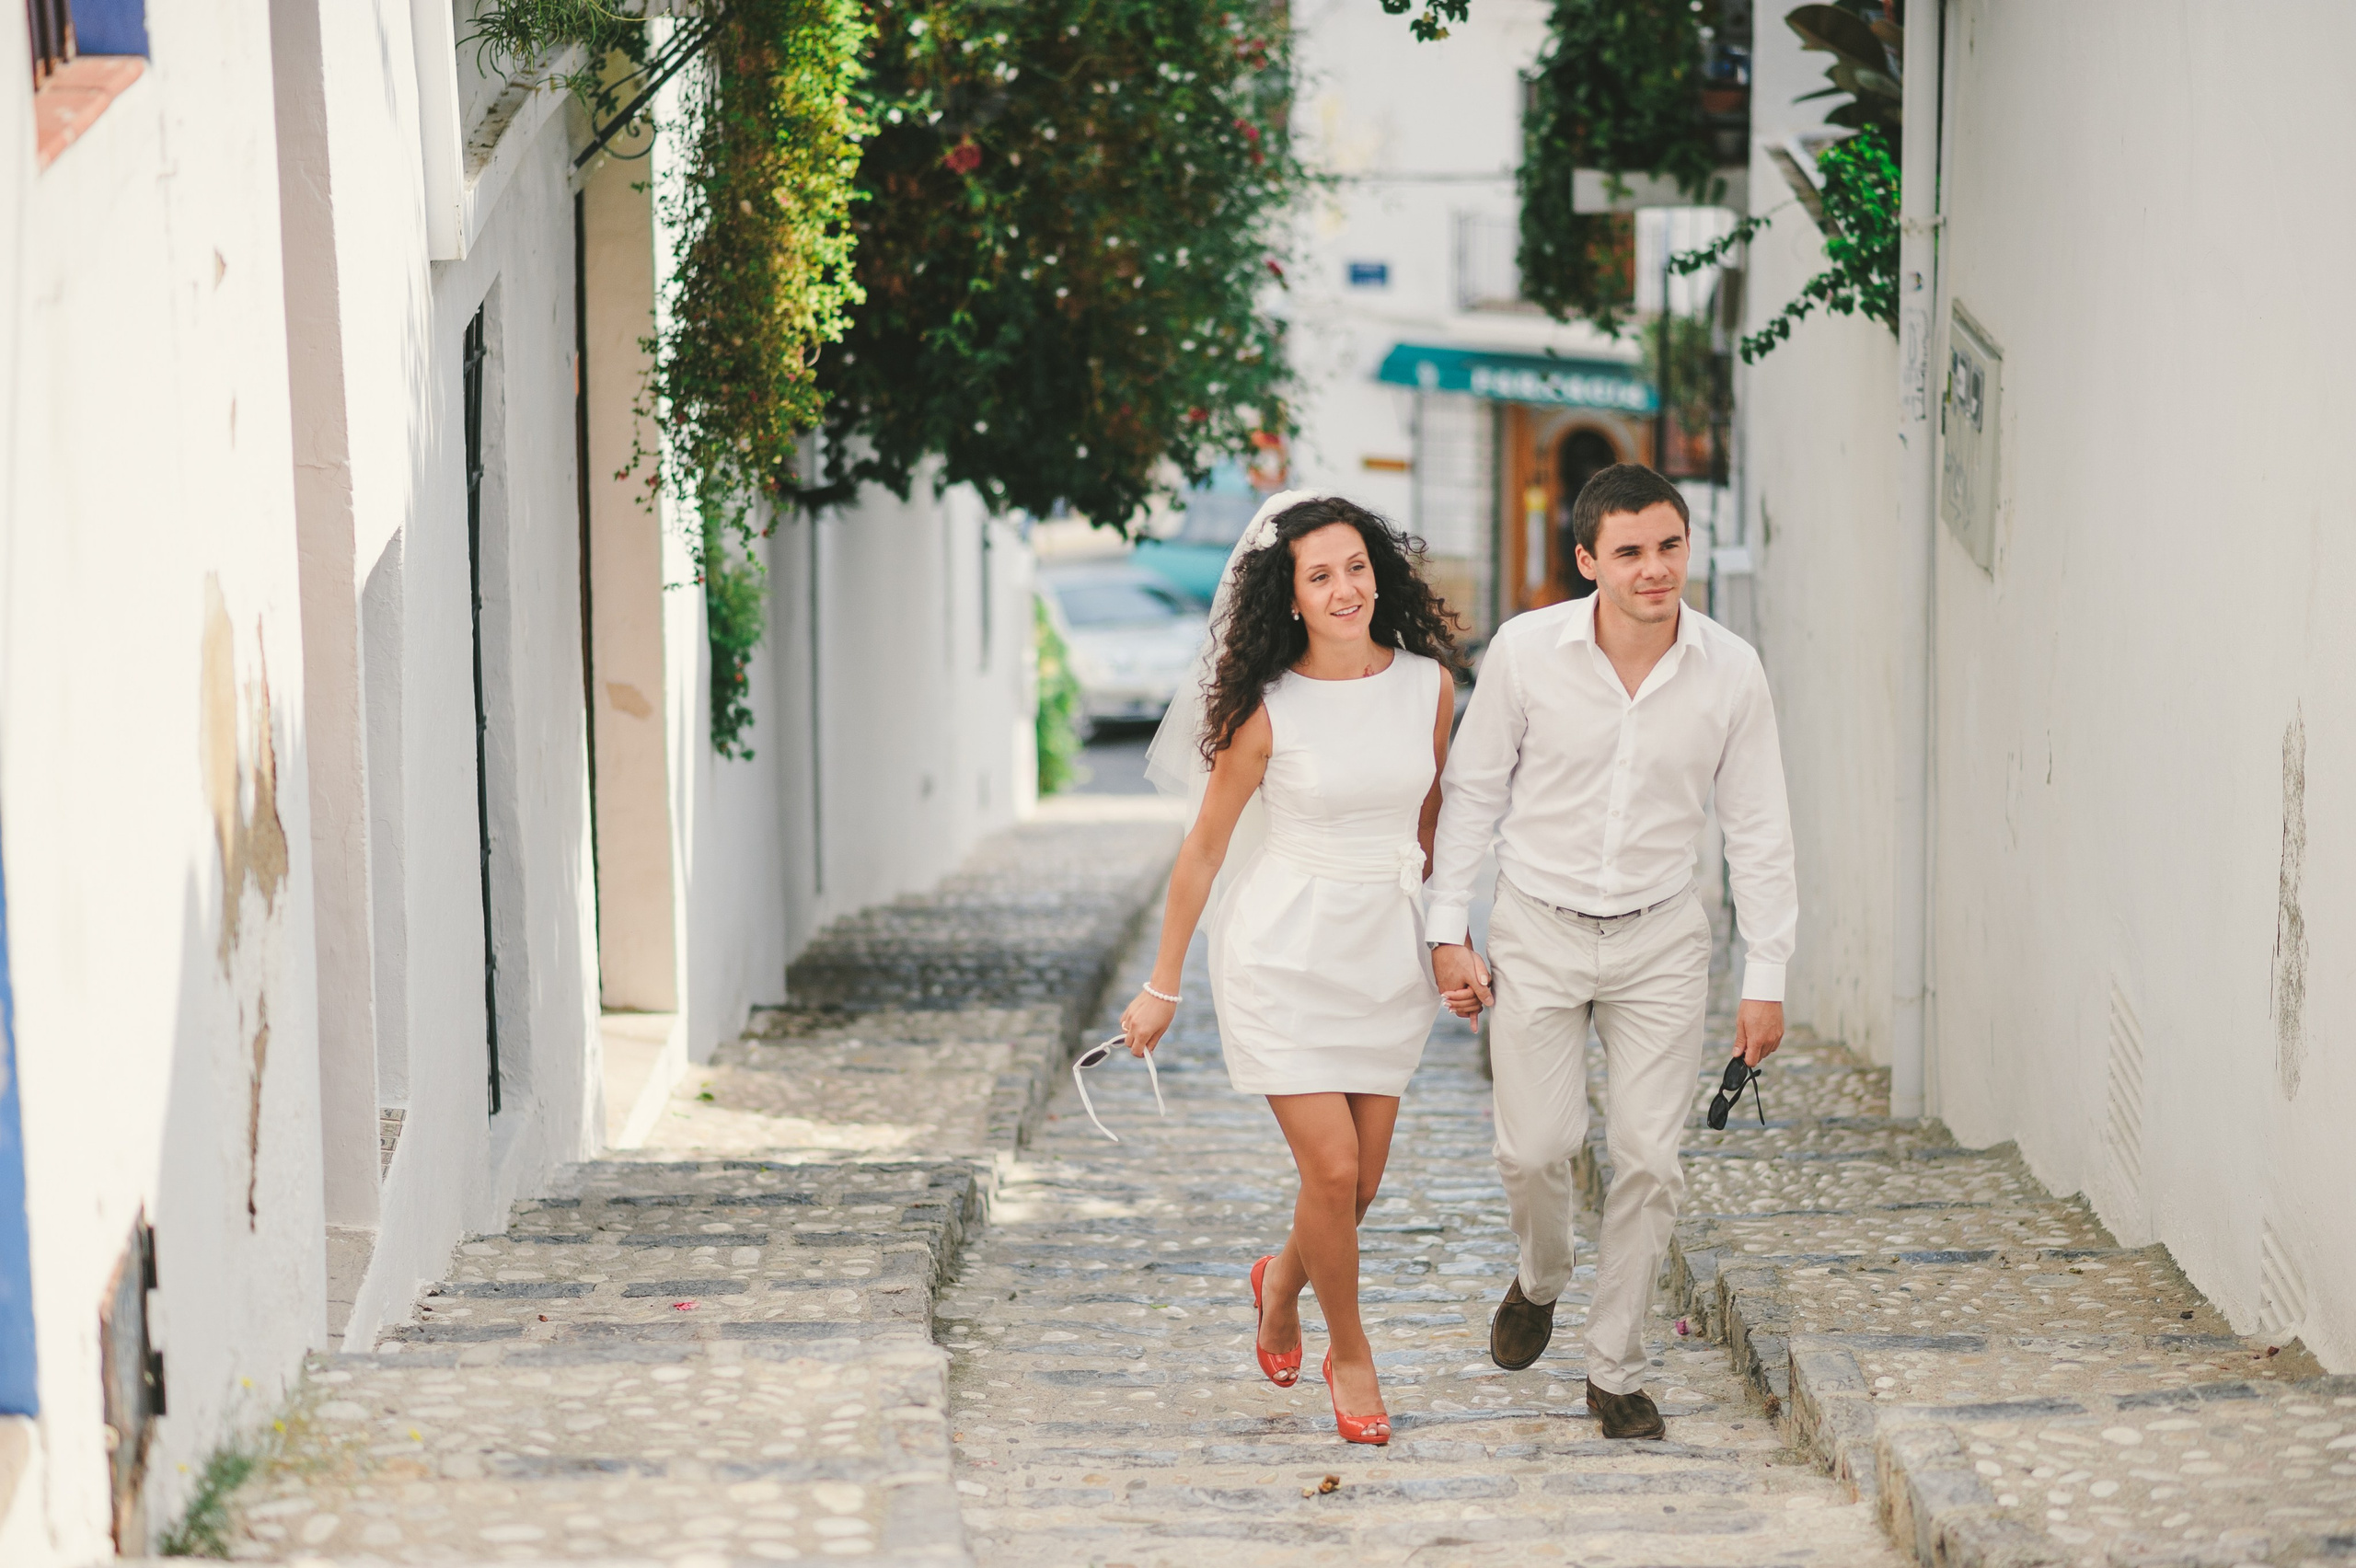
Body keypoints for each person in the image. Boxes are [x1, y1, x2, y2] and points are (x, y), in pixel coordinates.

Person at [1426, 463, 1796, 1442]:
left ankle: (1616, 1367)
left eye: (1668, 546)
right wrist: (1444, 930)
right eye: (1629, 552)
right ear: (1587, 559)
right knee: (1535, 1149)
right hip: (1537, 930)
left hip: (1662, 938)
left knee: (1648, 1159)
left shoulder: (1731, 670)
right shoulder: (1525, 652)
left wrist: (1766, 976)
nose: (1654, 569)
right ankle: (1540, 1279)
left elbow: (1757, 830)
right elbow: (1472, 792)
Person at [1122, 491, 1461, 1447]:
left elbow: (1431, 826)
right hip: (1281, 951)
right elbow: (1202, 852)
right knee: (1332, 1165)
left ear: (1378, 574)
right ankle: (1348, 1353)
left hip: (1384, 954)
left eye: (1356, 566)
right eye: (1321, 575)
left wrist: (1449, 939)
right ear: (1292, 597)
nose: (1344, 587)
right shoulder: (1264, 711)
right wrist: (1163, 982)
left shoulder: (1427, 686)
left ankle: (1276, 1283)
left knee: (1358, 1188)